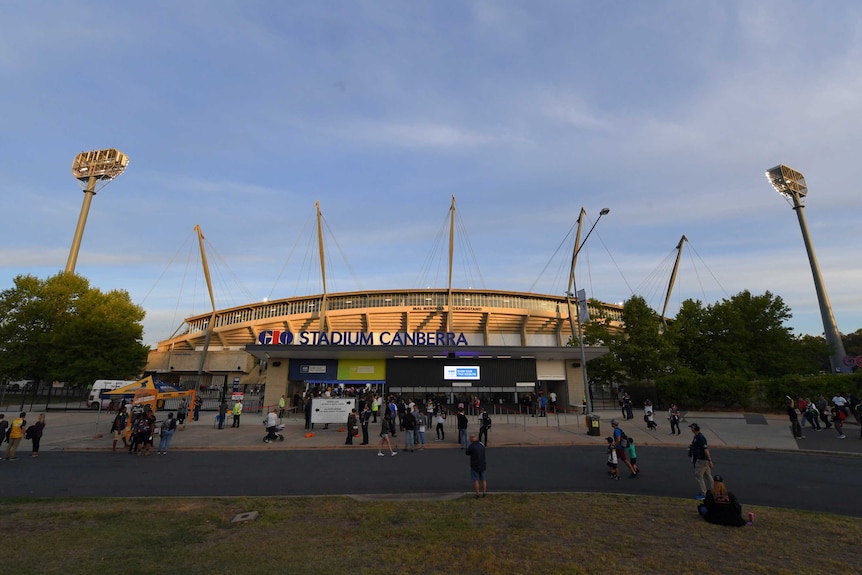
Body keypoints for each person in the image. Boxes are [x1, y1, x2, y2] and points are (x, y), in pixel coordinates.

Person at [689, 423, 713, 500]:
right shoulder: (696, 437)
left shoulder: (701, 438)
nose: (691, 429)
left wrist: (709, 460)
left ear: (694, 429)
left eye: (691, 428)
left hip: (701, 460)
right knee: (708, 475)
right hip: (702, 459)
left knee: (699, 476)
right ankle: (714, 491)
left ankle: (704, 493)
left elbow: (706, 449)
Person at [465, 433, 487, 498]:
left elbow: (467, 453)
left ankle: (477, 494)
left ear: (472, 438)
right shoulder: (481, 444)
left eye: (470, 439)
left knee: (475, 479)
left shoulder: (471, 446)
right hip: (482, 464)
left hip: (475, 465)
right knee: (483, 479)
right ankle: (484, 493)